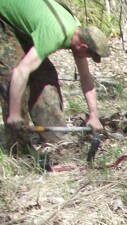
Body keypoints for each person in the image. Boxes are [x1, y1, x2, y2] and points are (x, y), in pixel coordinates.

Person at [0, 0, 110, 149]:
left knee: (45, 78)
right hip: (5, 19)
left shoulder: (78, 32)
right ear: (83, 46)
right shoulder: (55, 35)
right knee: (12, 77)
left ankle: (57, 142)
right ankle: (18, 147)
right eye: (91, 56)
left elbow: (85, 76)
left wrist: (94, 116)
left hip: (31, 25)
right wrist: (14, 113)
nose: (89, 59)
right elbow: (21, 71)